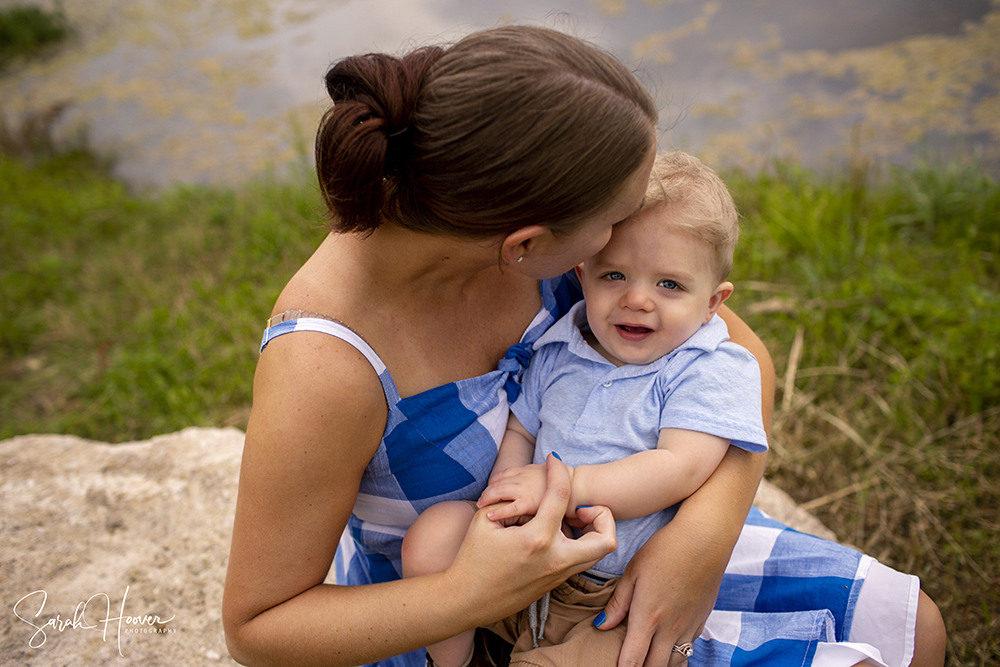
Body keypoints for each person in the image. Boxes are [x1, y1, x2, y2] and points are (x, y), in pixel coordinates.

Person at [221, 24, 946, 667]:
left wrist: (703, 535)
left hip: (633, 531)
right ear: (527, 246)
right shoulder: (327, 365)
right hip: (454, 616)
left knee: (920, 633)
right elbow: (259, 630)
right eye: (614, 223)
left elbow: (737, 357)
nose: (623, 238)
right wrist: (469, 595)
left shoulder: (526, 245)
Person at [401, 150, 770, 667]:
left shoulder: (709, 367)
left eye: (669, 285)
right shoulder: (561, 347)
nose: (638, 299)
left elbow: (679, 467)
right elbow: (523, 430)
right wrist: (507, 500)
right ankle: (456, 659)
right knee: (434, 535)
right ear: (583, 272)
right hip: (520, 559)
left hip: (610, 591)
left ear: (714, 301)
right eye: (614, 275)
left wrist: (564, 487)